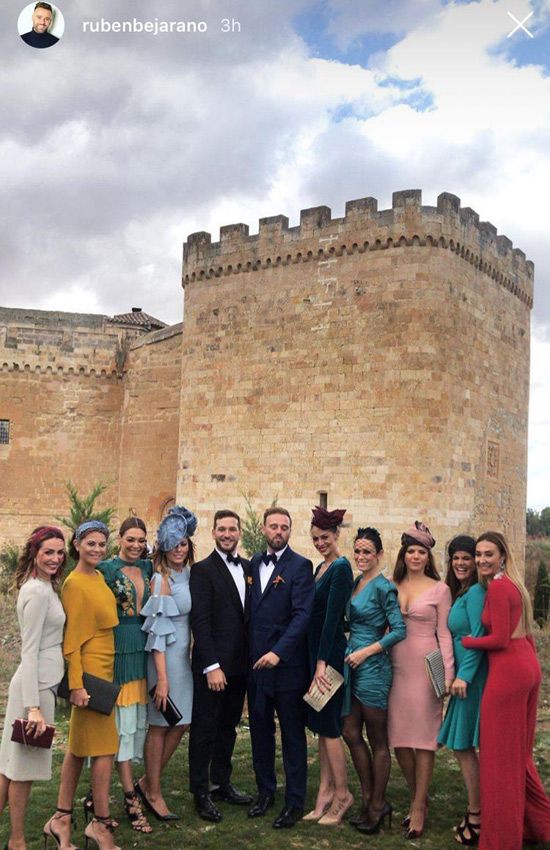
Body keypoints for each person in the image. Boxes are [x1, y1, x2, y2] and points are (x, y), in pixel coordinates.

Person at [462, 531, 550, 850]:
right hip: (526, 667)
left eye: (488, 554)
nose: (481, 560)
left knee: (499, 762)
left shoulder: (499, 588)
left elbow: (498, 639)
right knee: (519, 757)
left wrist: (467, 642)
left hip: (508, 673)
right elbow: (523, 635)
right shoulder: (515, 585)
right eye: (478, 554)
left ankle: (500, 840)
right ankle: (538, 825)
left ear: (502, 556)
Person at [44, 520, 120, 850]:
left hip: (104, 668)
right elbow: (71, 641)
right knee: (105, 750)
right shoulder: (74, 584)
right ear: (77, 544)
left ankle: (60, 818)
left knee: (76, 749)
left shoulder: (99, 576)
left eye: (102, 544)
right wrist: (76, 685)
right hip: (88, 675)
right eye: (91, 543)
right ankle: (100, 825)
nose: (98, 549)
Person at [247, 507, 315, 829]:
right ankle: (265, 793)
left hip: (286, 665)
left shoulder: (301, 566)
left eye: (284, 527)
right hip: (257, 665)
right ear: (264, 529)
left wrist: (278, 652)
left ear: (290, 531)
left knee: (291, 735)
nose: (278, 531)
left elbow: (302, 616)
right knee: (260, 731)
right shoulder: (254, 564)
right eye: (273, 526)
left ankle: (294, 801)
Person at [0, 527, 66, 850]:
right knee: (21, 771)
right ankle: (17, 840)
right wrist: (34, 707)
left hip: (40, 686)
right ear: (35, 553)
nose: (55, 558)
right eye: (48, 552)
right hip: (35, 688)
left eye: (59, 552)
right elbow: (29, 650)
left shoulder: (44, 586)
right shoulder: (38, 593)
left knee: (9, 767)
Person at [387, 521, 454, 840]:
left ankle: (417, 807)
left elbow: (445, 634)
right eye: (411, 550)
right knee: (399, 738)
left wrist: (448, 677)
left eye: (421, 552)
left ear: (429, 557)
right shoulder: (391, 584)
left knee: (424, 739)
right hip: (394, 668)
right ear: (404, 554)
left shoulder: (440, 589)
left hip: (427, 668)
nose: (415, 556)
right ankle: (419, 797)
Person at [188, 509, 252, 822]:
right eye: (222, 529)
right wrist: (211, 665)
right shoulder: (201, 570)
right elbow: (199, 620)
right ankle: (200, 792)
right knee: (204, 729)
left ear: (239, 533)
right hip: (212, 667)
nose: (227, 534)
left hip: (240, 666)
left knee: (228, 727)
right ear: (213, 533)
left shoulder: (248, 568)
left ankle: (221, 782)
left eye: (232, 529)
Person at [342, 526, 406, 835]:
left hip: (373, 667)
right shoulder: (357, 582)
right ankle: (368, 797)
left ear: (379, 554)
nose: (361, 556)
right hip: (351, 664)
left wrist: (366, 651)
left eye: (367, 551)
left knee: (378, 738)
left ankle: (378, 804)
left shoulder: (384, 587)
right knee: (350, 731)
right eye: (357, 551)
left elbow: (398, 630)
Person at [136, 506, 196, 821]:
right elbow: (157, 633)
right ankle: (154, 791)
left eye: (183, 544)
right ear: (163, 546)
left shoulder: (187, 572)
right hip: (165, 660)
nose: (178, 549)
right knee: (160, 725)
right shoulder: (161, 579)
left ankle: (148, 781)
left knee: (181, 721)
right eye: (173, 544)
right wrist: (161, 678)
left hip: (183, 660)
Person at [98, 518, 153, 833]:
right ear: (119, 538)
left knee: (134, 729)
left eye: (141, 540)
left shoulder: (147, 568)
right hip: (117, 651)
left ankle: (97, 795)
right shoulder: (105, 570)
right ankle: (131, 798)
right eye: (130, 539)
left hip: (141, 650)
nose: (135, 545)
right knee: (120, 728)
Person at [304, 506, 354, 826]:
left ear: (336, 535)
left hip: (329, 656)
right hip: (315, 655)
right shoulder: (320, 568)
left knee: (331, 728)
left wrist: (321, 663)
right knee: (321, 728)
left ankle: (343, 793)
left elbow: (332, 620)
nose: (320, 542)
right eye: (315, 538)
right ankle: (324, 791)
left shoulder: (341, 568)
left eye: (324, 537)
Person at [437, 535, 487, 846]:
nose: (460, 563)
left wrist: (464, 677)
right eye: (456, 558)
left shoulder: (479, 591)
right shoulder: (463, 592)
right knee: (462, 745)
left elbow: (479, 635)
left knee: (465, 745)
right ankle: (478, 810)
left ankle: (478, 815)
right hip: (462, 675)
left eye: (466, 558)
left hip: (473, 678)